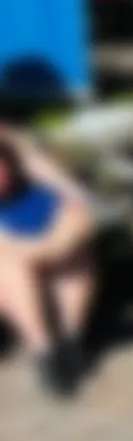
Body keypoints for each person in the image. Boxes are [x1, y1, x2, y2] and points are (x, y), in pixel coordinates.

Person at [0, 130, 95, 394]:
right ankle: (43, 349)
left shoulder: (35, 181)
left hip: (42, 246)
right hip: (12, 265)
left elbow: (78, 209)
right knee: (10, 268)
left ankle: (67, 343)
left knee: (75, 261)